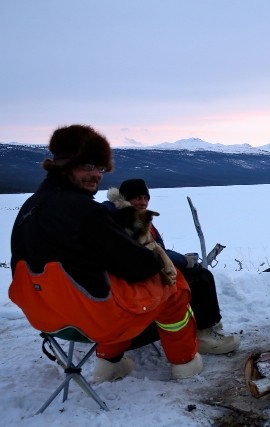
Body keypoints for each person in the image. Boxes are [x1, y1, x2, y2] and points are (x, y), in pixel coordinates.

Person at [9, 124, 205, 383]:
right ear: (63, 165)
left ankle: (111, 365)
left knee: (111, 285)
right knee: (174, 283)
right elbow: (137, 265)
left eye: (100, 168)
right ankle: (185, 362)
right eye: (87, 166)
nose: (96, 175)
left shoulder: (31, 207)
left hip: (47, 319)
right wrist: (158, 255)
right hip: (95, 319)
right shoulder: (85, 212)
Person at [108, 178, 240, 354]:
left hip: (147, 273)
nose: (143, 202)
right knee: (200, 278)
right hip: (140, 282)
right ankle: (204, 335)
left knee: (199, 273)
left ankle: (208, 326)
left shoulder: (136, 217)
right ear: (125, 199)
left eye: (146, 198)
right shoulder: (126, 221)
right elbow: (149, 254)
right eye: (137, 198)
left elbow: (158, 249)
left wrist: (179, 259)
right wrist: (183, 260)